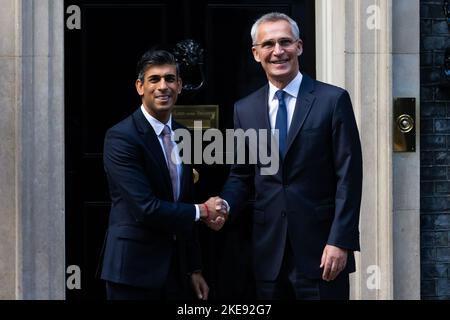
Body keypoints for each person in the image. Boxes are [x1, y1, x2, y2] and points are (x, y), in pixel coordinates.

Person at [217, 12, 363, 300]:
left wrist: (340, 241)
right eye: (269, 44)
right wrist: (224, 205)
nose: (278, 51)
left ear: (299, 46)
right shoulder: (244, 110)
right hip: (267, 253)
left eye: (285, 42)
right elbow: (241, 175)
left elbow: (349, 175)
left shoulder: (332, 100)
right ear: (256, 53)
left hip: (323, 253)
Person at [100, 49, 224, 300]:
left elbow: (183, 201)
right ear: (139, 86)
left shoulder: (184, 134)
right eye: (154, 79)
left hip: (176, 273)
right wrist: (204, 211)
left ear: (179, 86)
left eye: (169, 79)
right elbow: (146, 207)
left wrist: (194, 268)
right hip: (132, 272)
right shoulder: (121, 137)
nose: (163, 86)